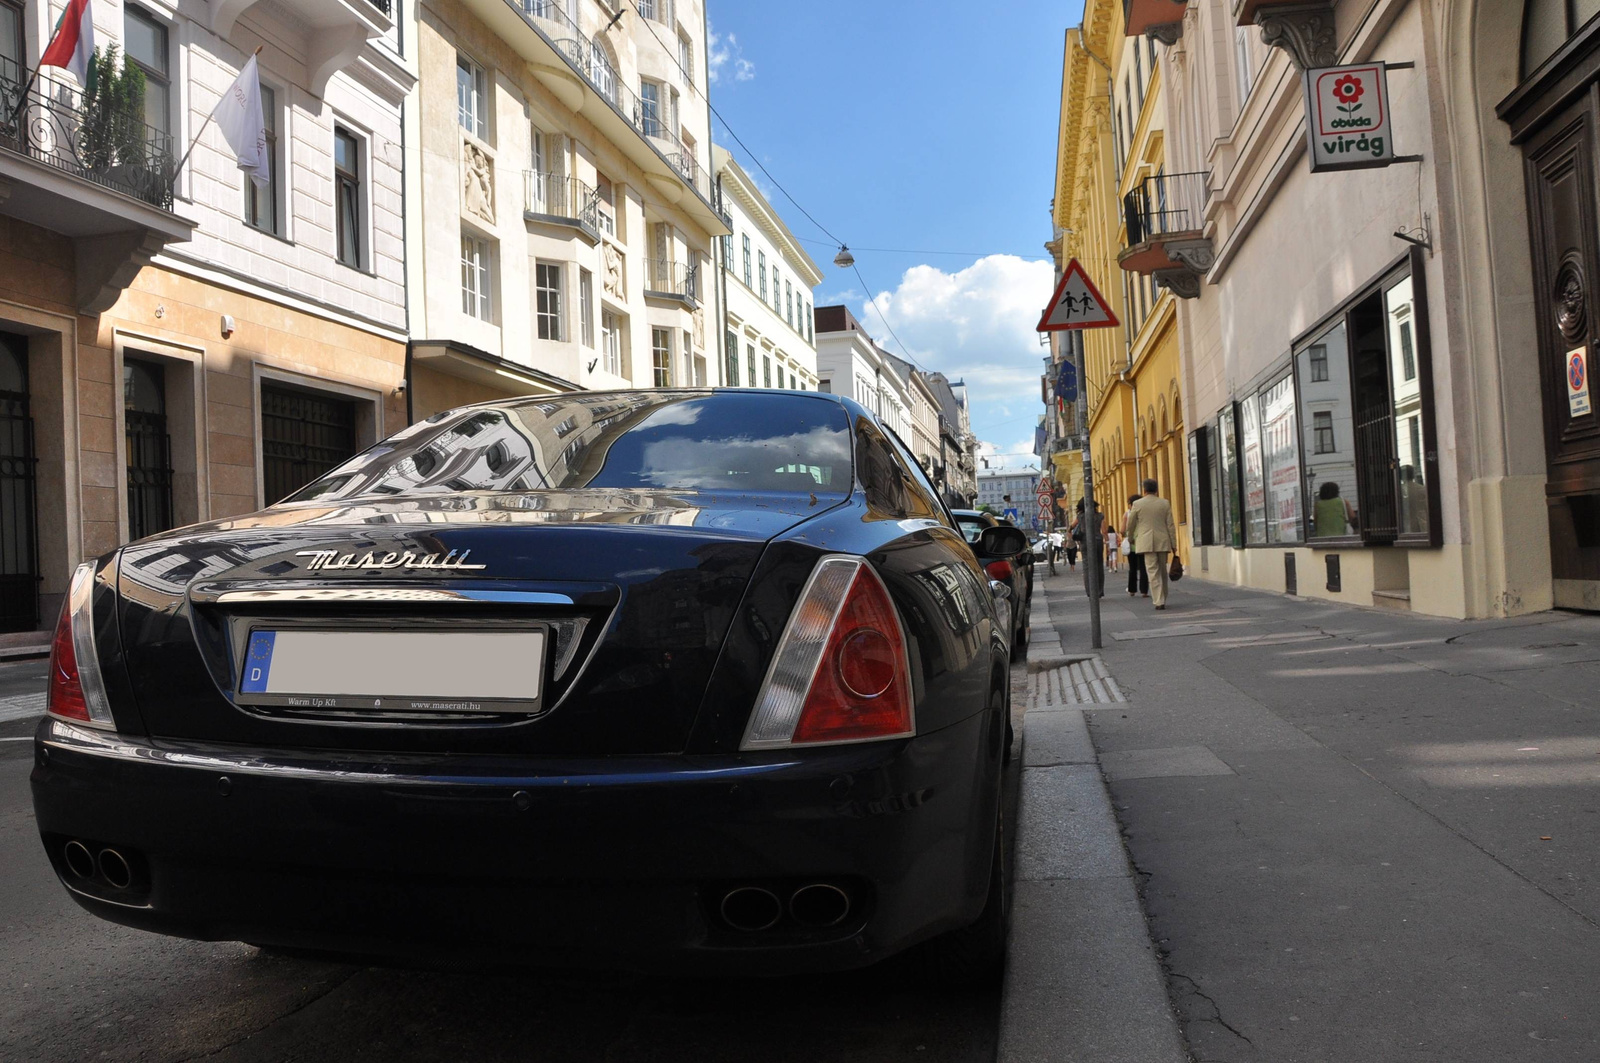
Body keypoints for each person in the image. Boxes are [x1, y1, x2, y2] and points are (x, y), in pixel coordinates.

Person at [1125, 478, 1179, 610]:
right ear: (1156, 490)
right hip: (1162, 540)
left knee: (1152, 571)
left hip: (1146, 541)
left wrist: (1130, 537)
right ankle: (1163, 597)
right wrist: (1173, 543)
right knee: (1162, 571)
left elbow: (1131, 524)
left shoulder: (1137, 504)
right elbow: (1170, 525)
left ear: (1144, 490)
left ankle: (1158, 600)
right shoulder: (1164, 503)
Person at [1124, 493, 1148, 598]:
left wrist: (1129, 537)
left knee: (1132, 568)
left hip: (1132, 544)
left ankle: (1132, 589)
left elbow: (1122, 530)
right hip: (1143, 543)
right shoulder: (1144, 513)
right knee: (1143, 567)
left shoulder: (1127, 514)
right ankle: (1144, 591)